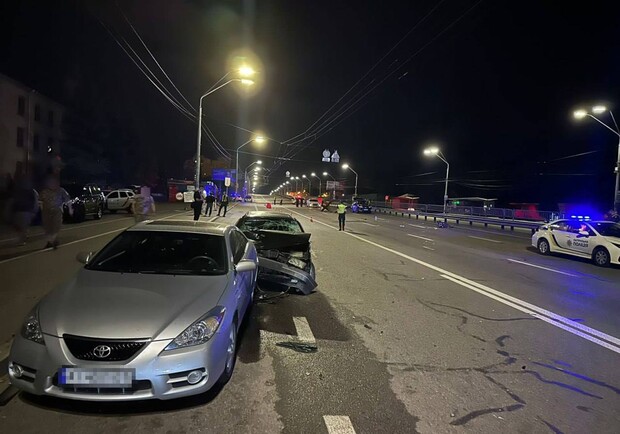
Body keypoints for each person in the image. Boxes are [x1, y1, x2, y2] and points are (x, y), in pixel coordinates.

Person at [39, 176, 69, 249]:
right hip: (46, 212)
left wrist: (67, 207)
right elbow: (40, 200)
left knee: (56, 226)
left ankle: (52, 240)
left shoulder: (61, 191)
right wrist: (41, 207)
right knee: (48, 227)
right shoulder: (45, 191)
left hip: (57, 211)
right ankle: (51, 241)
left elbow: (67, 199)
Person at [11, 175, 39, 245]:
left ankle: (22, 239)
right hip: (19, 211)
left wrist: (34, 211)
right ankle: (21, 238)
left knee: (23, 226)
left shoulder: (32, 191)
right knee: (18, 226)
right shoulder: (19, 190)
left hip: (26, 211)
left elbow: (35, 201)